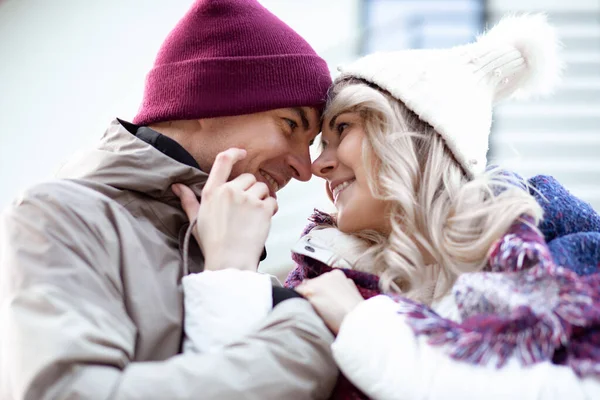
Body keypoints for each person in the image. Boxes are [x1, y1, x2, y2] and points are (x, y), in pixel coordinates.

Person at [0, 0, 339, 399]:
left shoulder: (245, 264)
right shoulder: (61, 216)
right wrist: (302, 354)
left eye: (311, 142)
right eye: (290, 125)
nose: (305, 168)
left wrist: (233, 272)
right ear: (210, 99)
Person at [283, 14, 600, 399]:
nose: (319, 165)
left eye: (343, 129)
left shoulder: (558, 240)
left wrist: (360, 325)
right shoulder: (320, 277)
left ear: (413, 138)